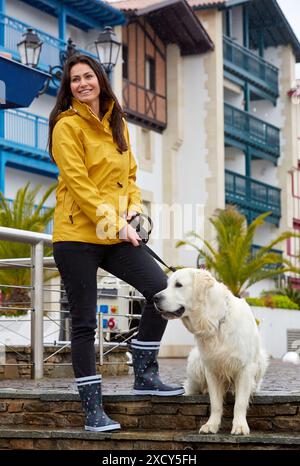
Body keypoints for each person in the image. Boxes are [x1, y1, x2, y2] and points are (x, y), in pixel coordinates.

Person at [49, 54, 184, 433]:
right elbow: (80, 185)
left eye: (87, 76)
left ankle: (145, 374)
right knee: (83, 323)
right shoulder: (66, 126)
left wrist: (136, 214)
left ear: (100, 79)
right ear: (69, 87)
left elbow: (131, 178)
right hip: (76, 236)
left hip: (116, 232)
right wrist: (114, 221)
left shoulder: (117, 122)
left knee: (160, 291)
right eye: (74, 79)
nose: (82, 84)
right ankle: (93, 411)